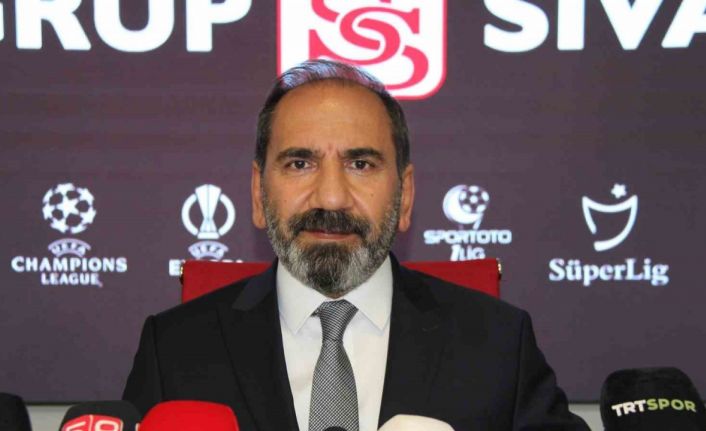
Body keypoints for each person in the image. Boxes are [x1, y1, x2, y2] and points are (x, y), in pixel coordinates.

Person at [123, 60, 589, 431]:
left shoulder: (499, 343)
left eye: (361, 164)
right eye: (300, 163)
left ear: (405, 196)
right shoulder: (175, 349)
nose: (331, 197)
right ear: (258, 195)